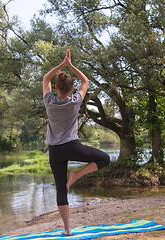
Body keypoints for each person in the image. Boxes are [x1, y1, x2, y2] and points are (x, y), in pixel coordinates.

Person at [43, 49, 110, 236]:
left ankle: (67, 229)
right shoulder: (75, 101)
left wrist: (61, 66)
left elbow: (45, 79)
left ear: (56, 87)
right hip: (72, 147)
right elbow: (85, 81)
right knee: (104, 158)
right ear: (71, 89)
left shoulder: (49, 101)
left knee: (60, 189)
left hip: (55, 151)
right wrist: (71, 65)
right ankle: (75, 175)